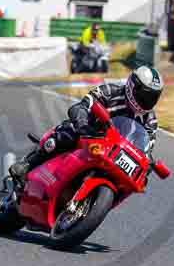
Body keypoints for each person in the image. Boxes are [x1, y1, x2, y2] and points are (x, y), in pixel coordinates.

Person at [9, 66, 163, 184]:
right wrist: (83, 124)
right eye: (145, 95)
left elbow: (146, 149)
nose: (148, 101)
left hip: (114, 151)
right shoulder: (110, 91)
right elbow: (82, 106)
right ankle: (28, 164)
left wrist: (147, 167)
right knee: (66, 135)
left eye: (153, 97)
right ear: (132, 87)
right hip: (88, 132)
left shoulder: (150, 120)